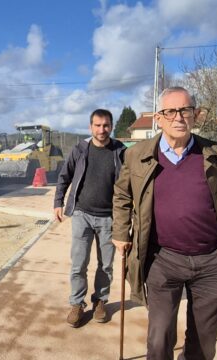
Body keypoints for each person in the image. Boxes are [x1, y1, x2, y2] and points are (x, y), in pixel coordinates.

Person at [112, 87, 217, 360]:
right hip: (162, 260)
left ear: (195, 115)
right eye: (170, 111)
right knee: (160, 337)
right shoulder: (137, 155)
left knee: (202, 342)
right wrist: (119, 232)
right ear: (159, 118)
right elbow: (122, 194)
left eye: (185, 110)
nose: (178, 117)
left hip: (212, 262)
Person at [54, 109, 126, 327]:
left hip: (109, 218)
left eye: (106, 125)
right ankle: (77, 303)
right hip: (82, 215)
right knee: (79, 264)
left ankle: (100, 301)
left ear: (111, 126)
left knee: (106, 266)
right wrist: (58, 202)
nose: (101, 129)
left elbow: (128, 185)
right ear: (90, 127)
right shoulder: (80, 149)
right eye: (97, 125)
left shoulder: (120, 151)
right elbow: (64, 176)